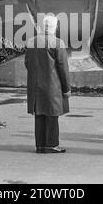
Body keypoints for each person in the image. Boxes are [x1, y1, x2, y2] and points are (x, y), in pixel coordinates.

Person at [25, 15, 71, 154]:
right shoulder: (58, 43)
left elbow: (27, 63)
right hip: (53, 85)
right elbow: (63, 67)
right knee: (52, 116)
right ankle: (51, 145)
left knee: (39, 115)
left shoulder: (31, 41)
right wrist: (66, 88)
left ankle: (40, 145)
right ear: (54, 27)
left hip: (35, 85)